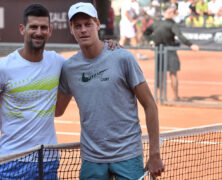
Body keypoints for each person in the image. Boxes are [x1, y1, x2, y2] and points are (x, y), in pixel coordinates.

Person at [0, 3, 120, 179]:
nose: (39, 32)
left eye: (43, 27)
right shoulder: (2, 68)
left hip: (47, 161)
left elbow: (88, 61)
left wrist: (107, 47)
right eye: (34, 27)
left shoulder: (59, 63)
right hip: (11, 161)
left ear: (50, 31)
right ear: (23, 29)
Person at [56, 2, 164, 180]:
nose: (83, 30)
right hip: (92, 160)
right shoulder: (69, 68)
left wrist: (154, 154)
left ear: (97, 24)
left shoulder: (123, 58)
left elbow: (150, 104)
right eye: (77, 26)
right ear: (71, 29)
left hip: (128, 156)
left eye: (88, 24)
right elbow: (57, 110)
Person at [144, 3, 200, 101]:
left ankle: (166, 97)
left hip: (164, 51)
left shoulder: (163, 23)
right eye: (171, 12)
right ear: (166, 12)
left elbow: (146, 33)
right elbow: (180, 35)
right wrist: (190, 44)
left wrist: (151, 41)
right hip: (167, 51)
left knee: (166, 74)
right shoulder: (167, 24)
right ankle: (165, 97)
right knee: (166, 74)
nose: (172, 14)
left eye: (173, 12)